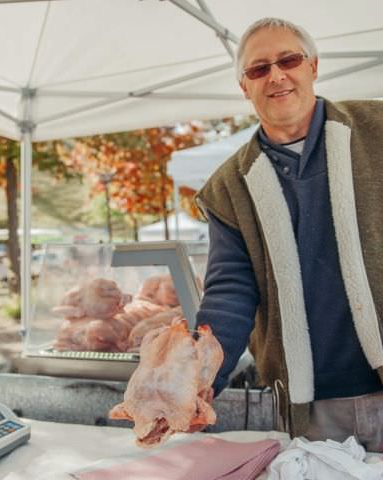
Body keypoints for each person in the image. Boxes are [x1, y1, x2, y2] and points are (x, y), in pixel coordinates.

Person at [195, 17, 383, 451]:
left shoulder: (375, 128)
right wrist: (199, 379)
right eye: (258, 69)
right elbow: (229, 293)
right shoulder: (229, 186)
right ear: (244, 86)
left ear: (312, 67)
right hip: (313, 405)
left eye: (288, 60)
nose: (276, 75)